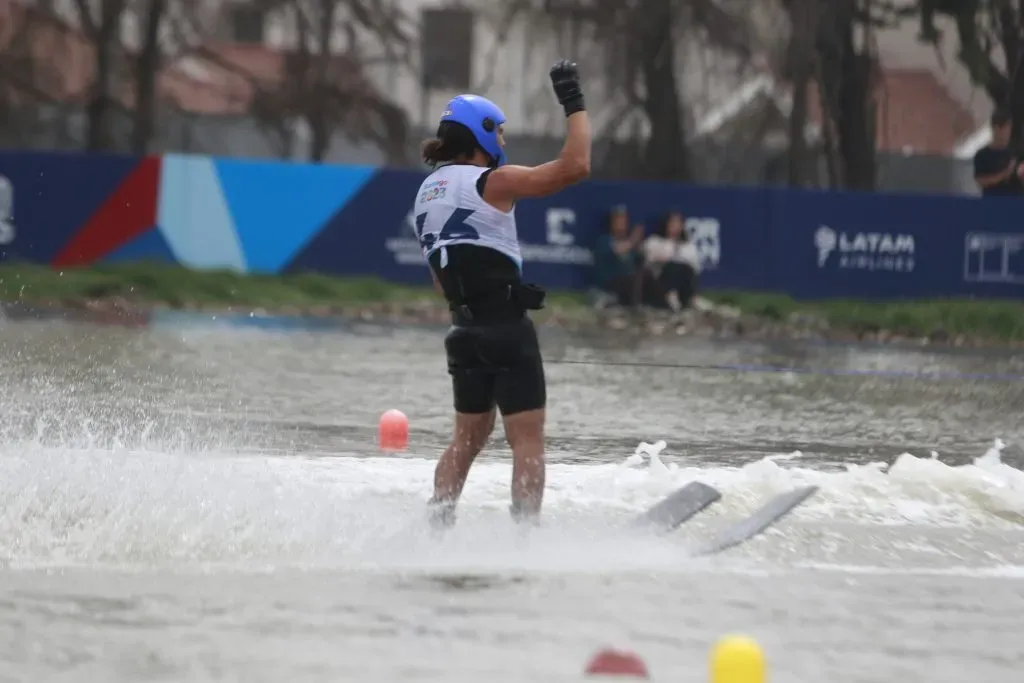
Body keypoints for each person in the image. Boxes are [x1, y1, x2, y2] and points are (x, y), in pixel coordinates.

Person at [412, 59, 591, 529]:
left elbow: (440, 280)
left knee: (466, 440)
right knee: (526, 439)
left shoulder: (425, 195)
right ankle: (524, 540)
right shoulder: (495, 181)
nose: (505, 143)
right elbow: (575, 166)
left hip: (462, 333)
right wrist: (572, 100)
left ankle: (435, 530)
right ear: (484, 133)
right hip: (507, 329)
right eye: (502, 132)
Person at [592, 206, 663, 308]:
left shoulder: (631, 244)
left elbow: (639, 261)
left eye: (623, 221)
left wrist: (639, 247)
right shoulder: (605, 240)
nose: (621, 224)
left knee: (647, 276)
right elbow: (618, 250)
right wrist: (633, 240)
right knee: (633, 281)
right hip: (611, 281)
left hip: (630, 281)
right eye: (617, 221)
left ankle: (663, 305)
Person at [642, 210, 701, 311]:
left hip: (684, 281)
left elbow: (695, 266)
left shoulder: (688, 246)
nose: (675, 227)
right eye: (672, 223)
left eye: (678, 224)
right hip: (660, 281)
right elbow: (650, 260)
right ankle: (671, 296)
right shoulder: (654, 241)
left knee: (686, 269)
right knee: (672, 266)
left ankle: (691, 299)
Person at [973, 108, 1024, 197]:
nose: (1008, 133)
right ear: (997, 128)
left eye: (1009, 129)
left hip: (1014, 204)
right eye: (1006, 129)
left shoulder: (1015, 153)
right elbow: (980, 181)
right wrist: (1003, 175)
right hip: (993, 204)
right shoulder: (982, 155)